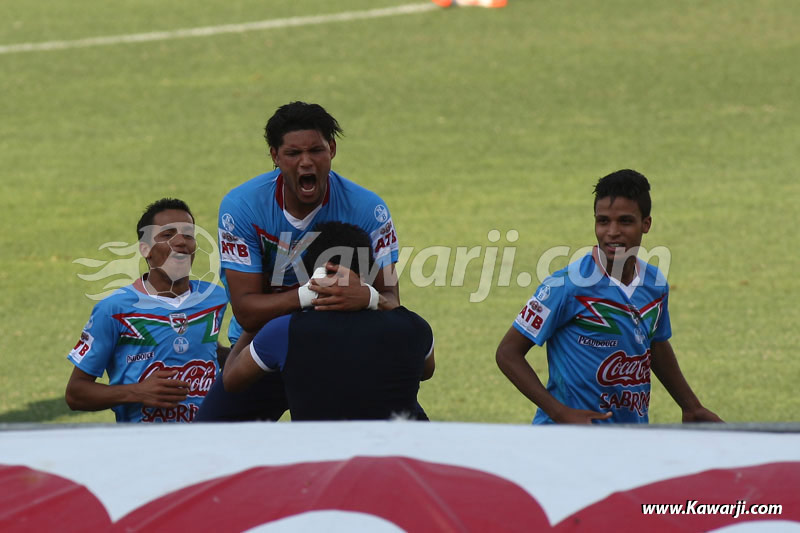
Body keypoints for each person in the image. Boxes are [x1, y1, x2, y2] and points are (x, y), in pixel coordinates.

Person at [197, 101, 401, 421]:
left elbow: (392, 301)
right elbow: (248, 313)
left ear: (331, 149)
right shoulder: (242, 207)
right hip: (265, 346)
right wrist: (309, 294)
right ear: (275, 156)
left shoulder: (368, 210)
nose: (306, 162)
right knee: (207, 440)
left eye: (316, 150)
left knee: (374, 451)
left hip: (342, 351)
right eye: (293, 154)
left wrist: (369, 296)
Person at [495, 169, 722, 424]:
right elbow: (507, 353)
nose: (612, 232)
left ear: (646, 224)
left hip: (628, 437)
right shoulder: (566, 285)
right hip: (566, 440)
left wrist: (691, 407)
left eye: (625, 221)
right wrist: (560, 412)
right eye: (603, 221)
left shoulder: (655, 283)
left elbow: (654, 343)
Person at [222, 222, 434, 421]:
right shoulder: (415, 328)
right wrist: (373, 298)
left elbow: (231, 379)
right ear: (365, 275)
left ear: (312, 276)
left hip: (324, 457)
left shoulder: (282, 331)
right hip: (395, 457)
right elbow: (426, 371)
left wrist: (267, 311)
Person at [65, 198, 228, 423]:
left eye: (188, 234)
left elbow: (207, 348)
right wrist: (137, 392)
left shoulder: (215, 298)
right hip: (145, 447)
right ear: (146, 249)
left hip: (206, 440)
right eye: (167, 235)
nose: (180, 241)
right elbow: (75, 393)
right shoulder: (114, 309)